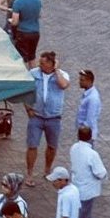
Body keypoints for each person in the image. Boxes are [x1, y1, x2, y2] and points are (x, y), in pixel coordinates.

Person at [30, 51, 72, 181]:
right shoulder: (33, 73)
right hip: (36, 116)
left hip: (54, 117)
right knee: (32, 145)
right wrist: (28, 108)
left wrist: (57, 70)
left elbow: (64, 85)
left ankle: (47, 169)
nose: (40, 65)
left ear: (51, 64)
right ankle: (30, 174)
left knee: (52, 146)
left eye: (43, 63)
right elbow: (25, 90)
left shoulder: (62, 75)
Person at [72, 126, 108, 218]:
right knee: (81, 217)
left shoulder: (74, 148)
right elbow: (100, 172)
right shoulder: (92, 154)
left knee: (86, 213)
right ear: (90, 138)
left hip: (77, 185)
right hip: (88, 190)